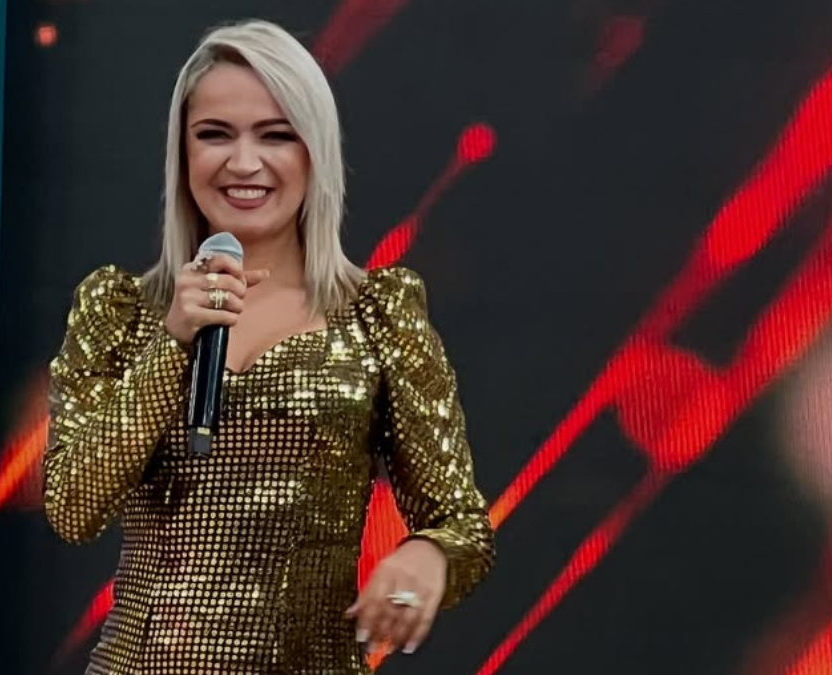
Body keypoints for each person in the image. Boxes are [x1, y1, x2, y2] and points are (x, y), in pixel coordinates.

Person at [42, 18, 495, 674]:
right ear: (182, 155)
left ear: (315, 153)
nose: (244, 162)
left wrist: (427, 555)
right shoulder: (119, 310)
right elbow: (73, 507)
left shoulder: (378, 316)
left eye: (276, 135)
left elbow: (461, 523)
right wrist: (173, 344)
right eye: (215, 134)